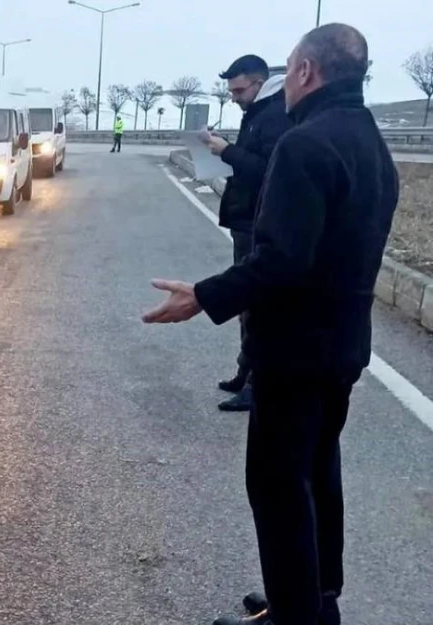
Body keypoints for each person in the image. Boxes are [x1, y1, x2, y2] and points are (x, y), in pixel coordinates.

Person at [143, 24, 398, 625]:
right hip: (343, 349)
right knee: (318, 472)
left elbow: (281, 259)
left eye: (288, 69)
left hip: (294, 351)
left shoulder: (305, 145)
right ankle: (315, 596)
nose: (283, 82)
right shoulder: (369, 141)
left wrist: (203, 296)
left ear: (307, 73)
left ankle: (294, 616)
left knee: (279, 486)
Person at [203, 55, 294, 413]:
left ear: (258, 83)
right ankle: (245, 372)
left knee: (257, 307)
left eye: (239, 90)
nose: (234, 97)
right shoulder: (258, 113)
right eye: (231, 91)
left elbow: (270, 170)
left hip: (259, 222)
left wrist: (227, 151)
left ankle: (257, 386)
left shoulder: (274, 116)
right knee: (246, 306)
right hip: (246, 221)